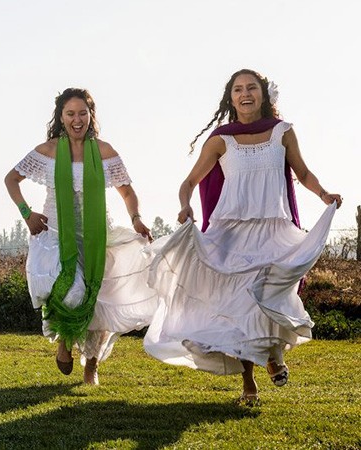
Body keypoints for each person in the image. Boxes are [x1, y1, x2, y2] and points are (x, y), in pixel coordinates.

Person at [143, 69, 342, 405]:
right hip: (230, 233)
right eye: (238, 89)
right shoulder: (221, 139)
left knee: (266, 297)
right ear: (230, 97)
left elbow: (303, 173)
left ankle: (273, 354)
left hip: (272, 230)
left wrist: (324, 195)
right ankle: (249, 378)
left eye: (252, 88)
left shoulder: (282, 133)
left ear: (263, 95)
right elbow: (189, 183)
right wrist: (185, 207)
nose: (245, 94)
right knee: (238, 306)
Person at [4, 88, 158, 384]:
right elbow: (11, 180)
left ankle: (92, 365)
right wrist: (27, 213)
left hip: (97, 234)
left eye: (82, 113)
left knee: (100, 300)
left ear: (91, 116)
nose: (77, 120)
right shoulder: (47, 151)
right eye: (70, 114)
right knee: (69, 289)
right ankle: (64, 343)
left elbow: (126, 191)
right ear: (60, 118)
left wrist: (136, 219)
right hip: (55, 232)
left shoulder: (104, 151)